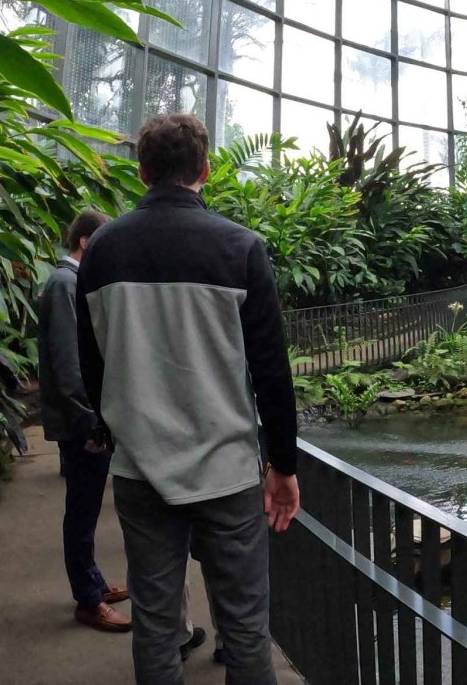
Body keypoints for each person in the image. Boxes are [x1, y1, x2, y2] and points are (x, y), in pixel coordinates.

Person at [76, 113, 300, 685]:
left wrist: (116, 426)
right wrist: (284, 466)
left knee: (155, 623)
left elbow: (93, 361)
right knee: (246, 626)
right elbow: (272, 370)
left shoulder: (100, 251)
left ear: (143, 171)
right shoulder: (241, 248)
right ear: (204, 170)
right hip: (226, 470)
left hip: (140, 470)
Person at [37, 209, 131, 633]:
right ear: (87, 243)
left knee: (87, 506)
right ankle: (87, 600)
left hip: (85, 418)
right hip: (81, 423)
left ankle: (91, 583)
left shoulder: (70, 283)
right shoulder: (64, 284)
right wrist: (90, 419)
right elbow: (67, 360)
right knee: (81, 508)